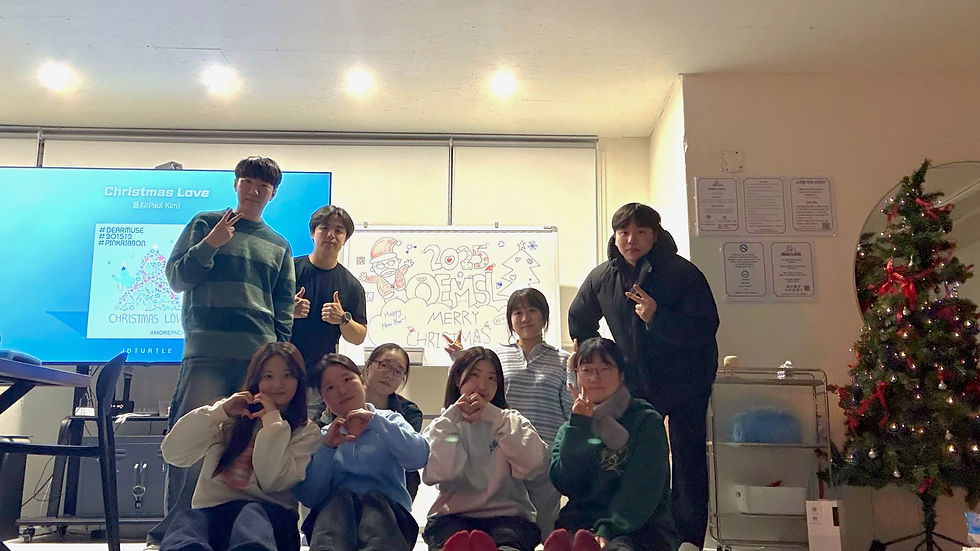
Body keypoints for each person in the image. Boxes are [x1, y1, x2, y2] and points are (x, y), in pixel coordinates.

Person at [149, 156, 297, 549]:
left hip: (257, 359)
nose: (254, 190)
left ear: (272, 194)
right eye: (248, 182)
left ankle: (234, 530)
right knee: (193, 442)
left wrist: (277, 355)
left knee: (249, 443)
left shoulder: (279, 245)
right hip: (207, 354)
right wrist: (211, 244)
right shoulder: (205, 224)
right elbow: (176, 278)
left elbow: (283, 308)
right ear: (236, 184)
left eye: (263, 186)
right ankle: (176, 533)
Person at [567, 202, 719, 548]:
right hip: (636, 381)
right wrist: (601, 361)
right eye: (624, 232)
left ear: (655, 235)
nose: (631, 239)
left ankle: (688, 539)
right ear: (615, 236)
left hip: (687, 381)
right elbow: (579, 319)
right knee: (634, 457)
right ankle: (635, 530)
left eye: (640, 232)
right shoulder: (603, 277)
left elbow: (705, 327)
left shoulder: (683, 274)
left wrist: (656, 318)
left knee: (687, 460)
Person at [158, 342, 320, 551]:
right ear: (256, 380)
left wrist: (272, 421)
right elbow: (173, 453)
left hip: (272, 522)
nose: (277, 384)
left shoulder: (306, 431)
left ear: (299, 380)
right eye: (268, 376)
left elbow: (273, 482)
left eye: (287, 375)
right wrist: (220, 412)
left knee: (251, 515)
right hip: (215, 515)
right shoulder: (229, 419)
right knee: (187, 521)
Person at [443, 287, 571, 534]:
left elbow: (570, 410)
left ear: (544, 316)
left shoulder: (563, 360)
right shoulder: (497, 357)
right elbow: (472, 389)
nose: (525, 318)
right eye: (517, 312)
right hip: (499, 455)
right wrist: (460, 359)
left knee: (543, 530)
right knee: (506, 528)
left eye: (532, 310)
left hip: (544, 457)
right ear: (510, 319)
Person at [295, 353, 429, 551]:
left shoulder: (390, 420)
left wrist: (376, 422)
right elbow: (309, 497)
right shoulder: (323, 436)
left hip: (391, 522)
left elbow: (418, 458)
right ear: (324, 399)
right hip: (334, 526)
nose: (342, 391)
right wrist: (328, 448)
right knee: (339, 501)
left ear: (362, 381)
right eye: (330, 388)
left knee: (375, 502)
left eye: (347, 380)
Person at [422, 347, 549, 551]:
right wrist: (452, 417)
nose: (482, 385)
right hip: (452, 517)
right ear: (458, 378)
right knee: (455, 543)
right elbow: (440, 472)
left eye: (491, 378)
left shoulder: (509, 420)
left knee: (508, 544)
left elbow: (535, 464)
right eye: (474, 375)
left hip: (508, 518)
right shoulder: (443, 424)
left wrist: (494, 416)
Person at [291, 205, 367, 420]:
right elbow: (265, 313)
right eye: (324, 228)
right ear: (313, 233)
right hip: (283, 369)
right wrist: (288, 311)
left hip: (319, 376)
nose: (331, 235)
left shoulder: (351, 285)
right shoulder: (289, 269)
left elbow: (358, 337)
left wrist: (343, 319)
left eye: (339, 230)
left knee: (309, 432)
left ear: (345, 239)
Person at [362, 343, 424, 500]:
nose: (389, 375)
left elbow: (407, 451)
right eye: (384, 365)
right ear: (369, 366)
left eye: (398, 371)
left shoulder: (409, 412)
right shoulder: (343, 398)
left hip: (389, 486)